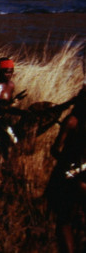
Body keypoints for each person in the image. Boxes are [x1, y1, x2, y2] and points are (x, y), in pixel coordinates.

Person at [46, 88, 86, 253]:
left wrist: (68, 164)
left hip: (70, 175)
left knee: (64, 220)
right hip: (77, 175)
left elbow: (56, 149)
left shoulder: (72, 121)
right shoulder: (73, 122)